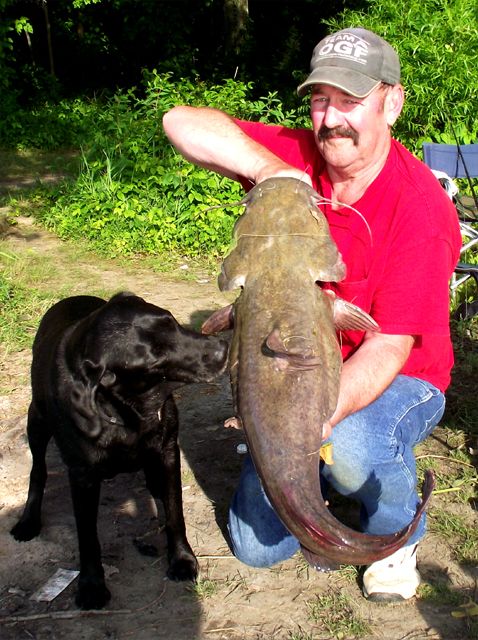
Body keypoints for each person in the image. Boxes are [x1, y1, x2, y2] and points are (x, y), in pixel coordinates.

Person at [162, 27, 462, 602]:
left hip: (404, 377)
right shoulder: (300, 156)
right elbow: (180, 121)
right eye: (320, 100)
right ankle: (325, 475)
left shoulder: (420, 209)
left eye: (350, 101)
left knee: (351, 445)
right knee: (256, 546)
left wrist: (311, 422)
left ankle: (396, 533)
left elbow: (389, 347)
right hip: (291, 369)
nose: (330, 120)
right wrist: (272, 171)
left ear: (391, 102)